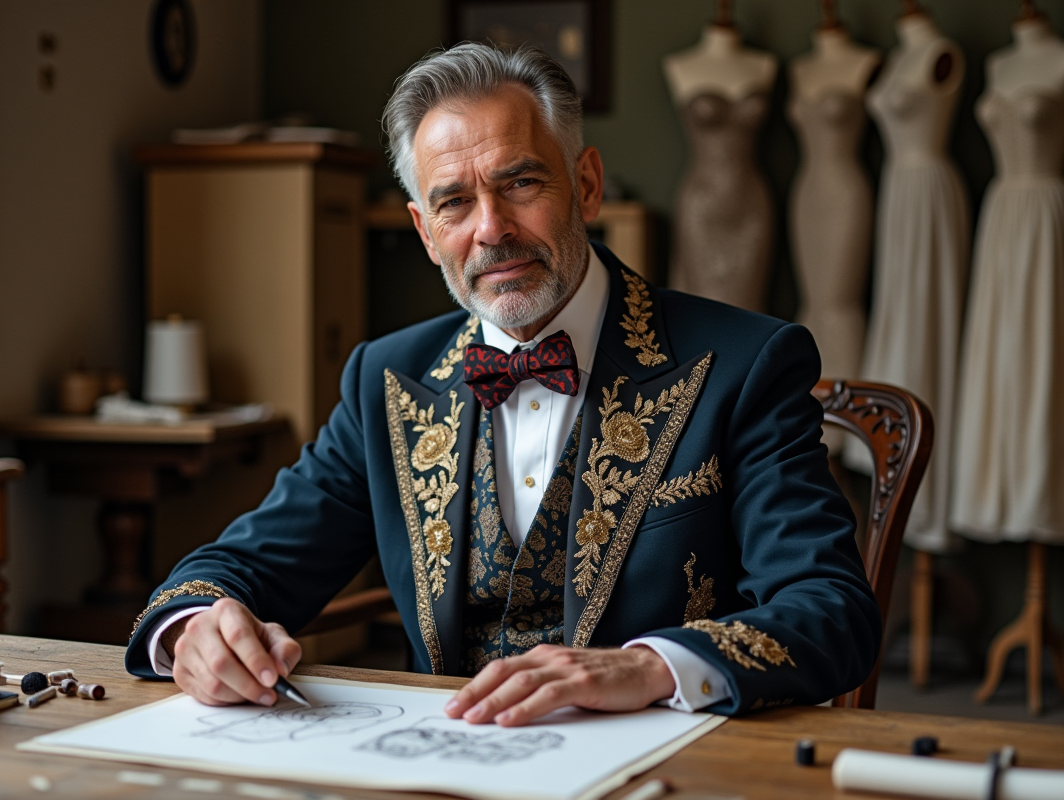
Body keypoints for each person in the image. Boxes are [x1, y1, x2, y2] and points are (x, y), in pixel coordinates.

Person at [125, 43, 880, 724]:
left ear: (585, 185)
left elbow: (832, 610)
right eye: (454, 201)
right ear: (425, 233)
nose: (490, 228)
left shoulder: (747, 362)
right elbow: (247, 563)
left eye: (520, 182)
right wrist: (195, 628)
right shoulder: (385, 380)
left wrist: (651, 666)